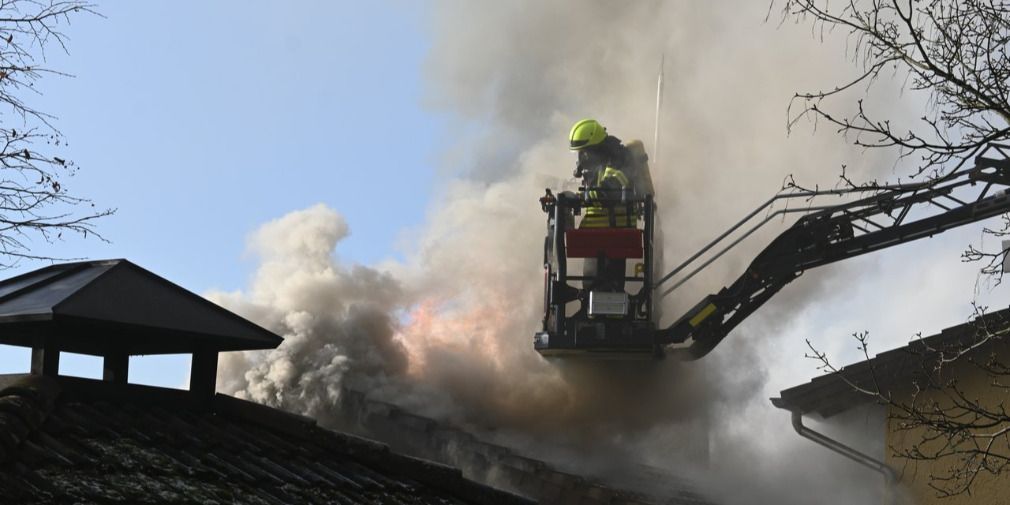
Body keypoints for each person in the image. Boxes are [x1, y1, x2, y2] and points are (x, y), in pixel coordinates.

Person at [568, 118, 636, 292]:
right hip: (597, 234)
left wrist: (581, 197)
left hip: (614, 234)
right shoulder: (597, 166)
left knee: (608, 289)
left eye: (584, 152)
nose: (581, 157)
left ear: (594, 148)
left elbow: (609, 190)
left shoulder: (617, 161)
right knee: (590, 286)